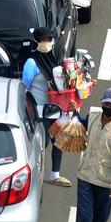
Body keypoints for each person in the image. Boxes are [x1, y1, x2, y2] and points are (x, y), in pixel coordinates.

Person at [22, 28, 72, 188]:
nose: (47, 43)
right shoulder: (31, 62)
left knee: (58, 140)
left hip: (54, 109)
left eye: (49, 39)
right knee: (41, 143)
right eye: (43, 39)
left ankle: (55, 175)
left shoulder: (53, 59)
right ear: (36, 41)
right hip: (38, 111)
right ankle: (33, 175)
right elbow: (25, 86)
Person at [75, 88, 111, 222]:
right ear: (102, 103)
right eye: (106, 104)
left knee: (99, 220)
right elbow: (81, 125)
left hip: (105, 183)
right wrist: (73, 112)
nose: (109, 108)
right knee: (84, 218)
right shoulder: (93, 117)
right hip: (85, 176)